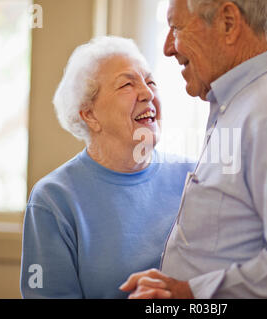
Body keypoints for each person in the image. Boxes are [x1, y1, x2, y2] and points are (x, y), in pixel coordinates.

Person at [120, 0, 267, 298]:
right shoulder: (241, 103)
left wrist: (191, 293)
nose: (167, 47)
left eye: (176, 27)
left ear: (228, 23)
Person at [20, 36, 193, 298]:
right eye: (127, 84)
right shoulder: (53, 199)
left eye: (151, 82)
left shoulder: (194, 178)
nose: (147, 93)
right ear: (89, 114)